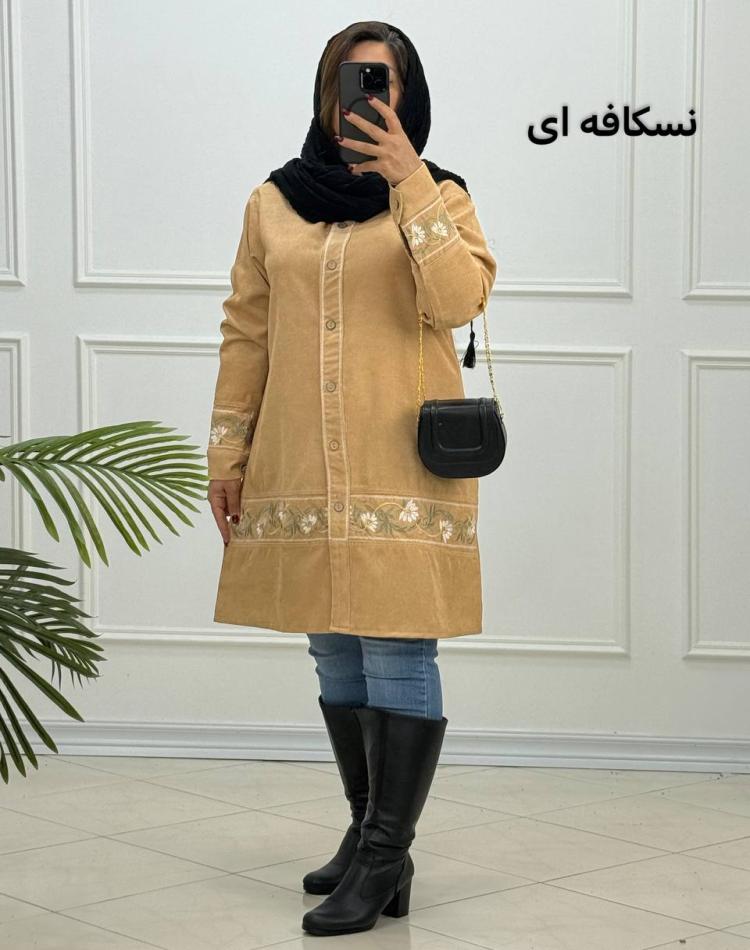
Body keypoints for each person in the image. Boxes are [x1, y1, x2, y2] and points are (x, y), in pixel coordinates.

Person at [206, 19, 496, 938]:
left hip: (398, 461)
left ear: (408, 96)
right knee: (333, 649)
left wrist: (409, 181)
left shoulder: (441, 194)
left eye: (381, 81)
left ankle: (381, 857)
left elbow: (458, 302)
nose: (363, 96)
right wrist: (227, 452)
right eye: (348, 78)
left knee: (398, 651)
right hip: (299, 458)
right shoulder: (273, 202)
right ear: (324, 91)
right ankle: (374, 838)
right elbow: (247, 332)